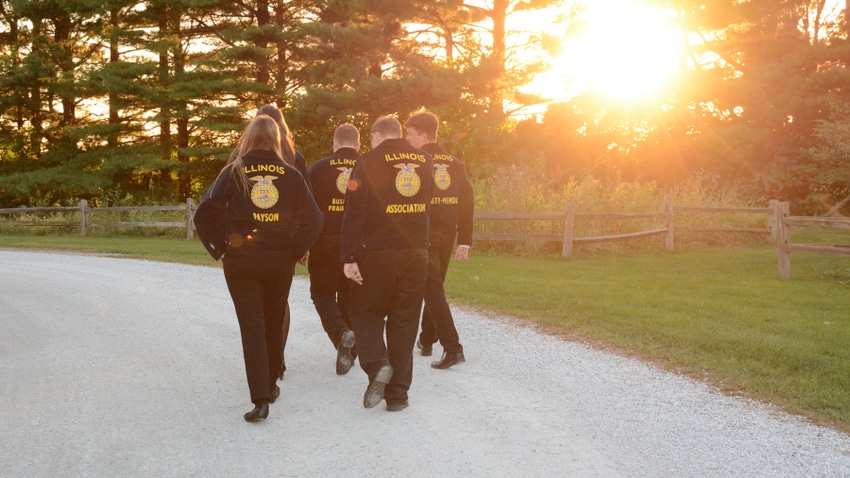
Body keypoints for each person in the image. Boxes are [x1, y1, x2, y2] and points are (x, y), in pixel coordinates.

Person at [194, 115, 323, 422]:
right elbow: (315, 219)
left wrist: (219, 249)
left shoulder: (234, 171)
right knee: (274, 317)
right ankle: (271, 382)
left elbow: (203, 215)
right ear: (278, 139)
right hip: (279, 259)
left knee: (252, 326)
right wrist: (297, 248)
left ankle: (261, 398)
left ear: (247, 138)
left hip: (242, 260)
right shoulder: (291, 174)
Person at [340, 116, 434, 412]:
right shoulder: (426, 160)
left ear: (376, 136)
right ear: (400, 135)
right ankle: (397, 397)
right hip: (416, 252)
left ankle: (377, 364)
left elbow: (354, 211)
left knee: (366, 314)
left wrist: (348, 257)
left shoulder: (367, 160)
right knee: (404, 322)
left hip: (377, 253)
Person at [404, 111, 474, 369]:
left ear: (423, 135)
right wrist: (464, 240)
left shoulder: (417, 161)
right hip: (447, 236)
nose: (407, 139)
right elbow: (468, 202)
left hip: (425, 236)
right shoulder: (454, 163)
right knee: (434, 289)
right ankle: (426, 339)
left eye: (410, 134)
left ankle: (453, 348)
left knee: (432, 291)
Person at [252, 104, 313, 379]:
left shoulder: (244, 158)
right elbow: (306, 203)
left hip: (252, 237)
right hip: (286, 237)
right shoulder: (294, 157)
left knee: (258, 301)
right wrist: (302, 244)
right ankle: (278, 360)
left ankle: (266, 359)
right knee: (280, 301)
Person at [307, 124, 361, 375]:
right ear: (358, 145)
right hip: (359, 245)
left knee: (322, 295)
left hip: (325, 242)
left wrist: (304, 244)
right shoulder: (369, 165)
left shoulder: (318, 168)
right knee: (350, 299)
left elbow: (307, 210)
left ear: (334, 143)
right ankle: (349, 346)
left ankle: (342, 335)